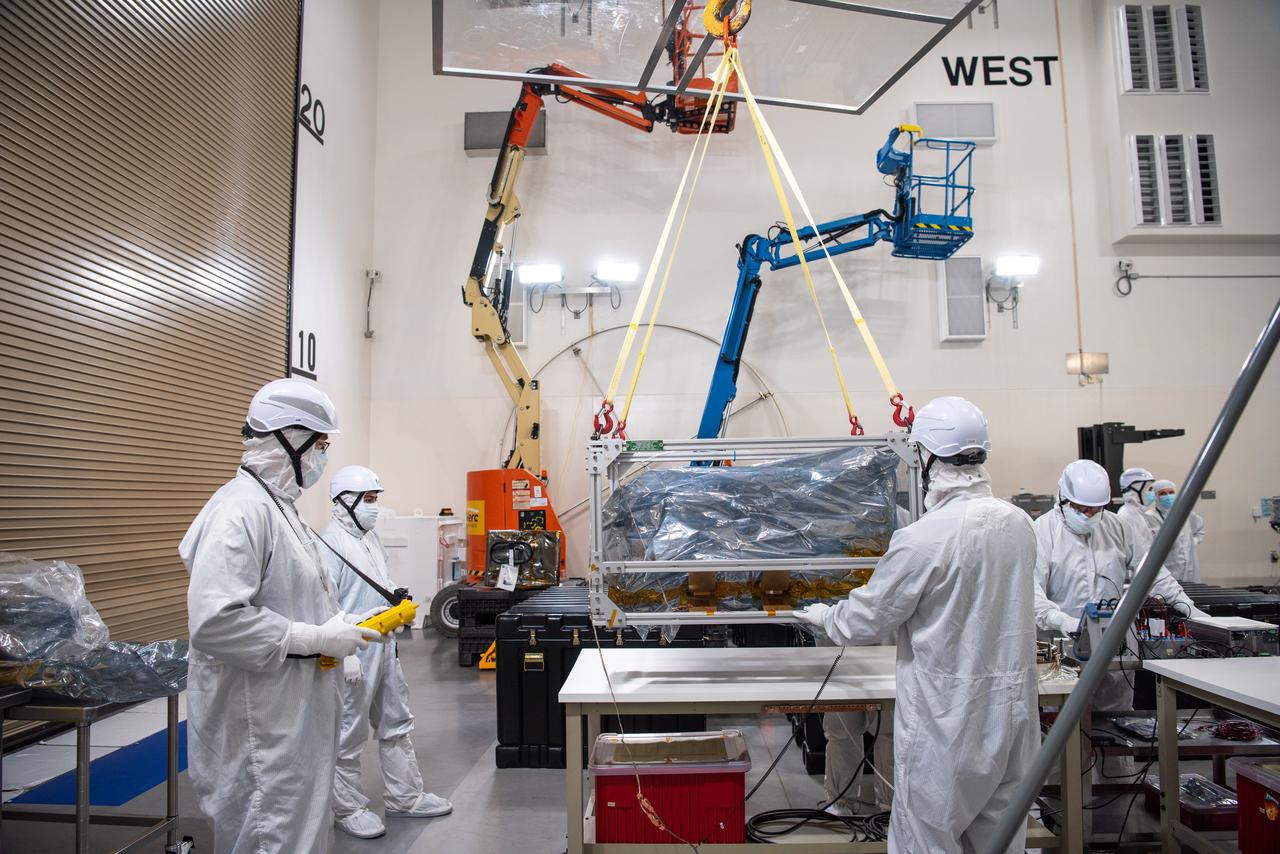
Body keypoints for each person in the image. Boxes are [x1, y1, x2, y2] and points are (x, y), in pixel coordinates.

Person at [797, 397, 1038, 854]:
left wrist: (825, 616)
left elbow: (866, 618)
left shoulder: (924, 537)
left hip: (947, 720)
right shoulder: (1019, 522)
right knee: (1001, 841)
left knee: (925, 841)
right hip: (1012, 715)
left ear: (925, 457)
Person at [180, 378, 383, 854]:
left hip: (291, 713)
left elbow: (303, 593)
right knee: (270, 834)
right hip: (260, 722)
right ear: (290, 440)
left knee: (299, 830)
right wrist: (315, 638)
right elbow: (215, 622)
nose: (322, 457)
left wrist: (344, 627)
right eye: (320, 445)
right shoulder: (240, 511)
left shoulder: (279, 508)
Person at [1033, 460, 1207, 778]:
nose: (1088, 516)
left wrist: (1185, 604)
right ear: (1062, 498)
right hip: (1062, 658)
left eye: (1094, 509)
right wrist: (1068, 624)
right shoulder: (1042, 533)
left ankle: (1116, 808)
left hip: (1114, 655)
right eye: (1080, 508)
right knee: (1063, 745)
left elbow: (1150, 570)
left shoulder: (1116, 528)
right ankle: (1062, 816)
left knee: (1115, 734)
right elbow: (1031, 596)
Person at [319, 465, 454, 839]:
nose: (374, 507)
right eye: (368, 500)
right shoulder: (328, 546)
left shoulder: (368, 538)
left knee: (396, 721)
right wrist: (345, 650)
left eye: (376, 499)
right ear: (344, 502)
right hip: (353, 654)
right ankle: (347, 808)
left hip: (385, 647)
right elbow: (324, 608)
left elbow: (380, 581)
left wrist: (396, 596)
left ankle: (405, 797)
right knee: (348, 732)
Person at [1149, 479, 1207, 584]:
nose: (1168, 496)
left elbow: (1200, 529)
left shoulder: (1185, 513)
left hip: (1189, 569)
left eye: (1171, 492)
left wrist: (1193, 542)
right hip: (1167, 569)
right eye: (1163, 493)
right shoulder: (1150, 517)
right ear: (1156, 497)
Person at [1116, 466, 1158, 553]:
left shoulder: (1138, 514)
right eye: (1148, 489)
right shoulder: (1127, 515)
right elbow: (1138, 555)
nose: (1152, 493)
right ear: (1135, 490)